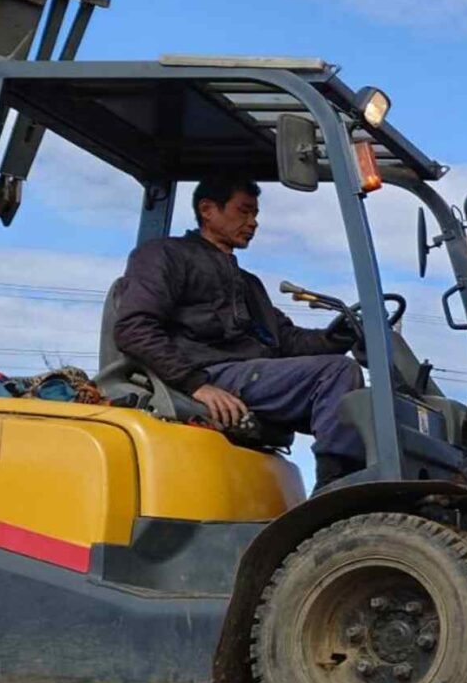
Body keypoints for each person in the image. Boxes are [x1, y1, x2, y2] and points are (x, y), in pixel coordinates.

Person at [113, 176, 365, 488]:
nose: (253, 222)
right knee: (337, 373)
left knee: (365, 402)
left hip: (246, 378)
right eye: (244, 211)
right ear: (208, 209)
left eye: (255, 214)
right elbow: (133, 328)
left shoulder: (249, 284)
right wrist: (196, 384)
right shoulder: (165, 256)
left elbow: (287, 341)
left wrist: (340, 336)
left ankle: (370, 478)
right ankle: (339, 486)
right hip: (205, 373)